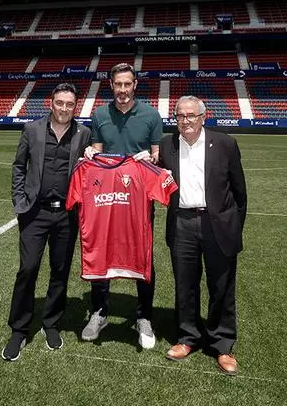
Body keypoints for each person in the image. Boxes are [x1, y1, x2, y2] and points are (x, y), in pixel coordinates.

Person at [158, 95, 247, 376]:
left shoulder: (225, 143)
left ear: (202, 117)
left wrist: (233, 226)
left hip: (217, 224)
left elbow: (240, 192)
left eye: (191, 115)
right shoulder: (167, 144)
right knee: (185, 285)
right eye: (180, 116)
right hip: (182, 223)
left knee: (222, 287)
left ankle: (223, 345)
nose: (185, 121)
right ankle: (188, 337)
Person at [2, 83, 91, 361]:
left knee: (60, 270)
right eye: (60, 102)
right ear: (50, 103)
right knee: (28, 269)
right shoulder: (32, 129)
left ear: (75, 107)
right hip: (34, 213)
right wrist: (20, 200)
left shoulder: (84, 134)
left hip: (67, 213)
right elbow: (19, 166)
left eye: (70, 104)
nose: (64, 108)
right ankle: (19, 330)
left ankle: (51, 323)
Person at [81, 62, 162, 349]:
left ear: (135, 85)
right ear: (111, 85)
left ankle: (144, 316)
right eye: (118, 84)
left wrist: (150, 158)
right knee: (101, 252)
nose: (123, 90)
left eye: (128, 84)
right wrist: (90, 153)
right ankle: (100, 312)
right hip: (106, 199)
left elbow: (157, 155)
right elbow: (97, 155)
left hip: (138, 199)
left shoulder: (151, 115)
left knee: (143, 254)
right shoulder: (100, 114)